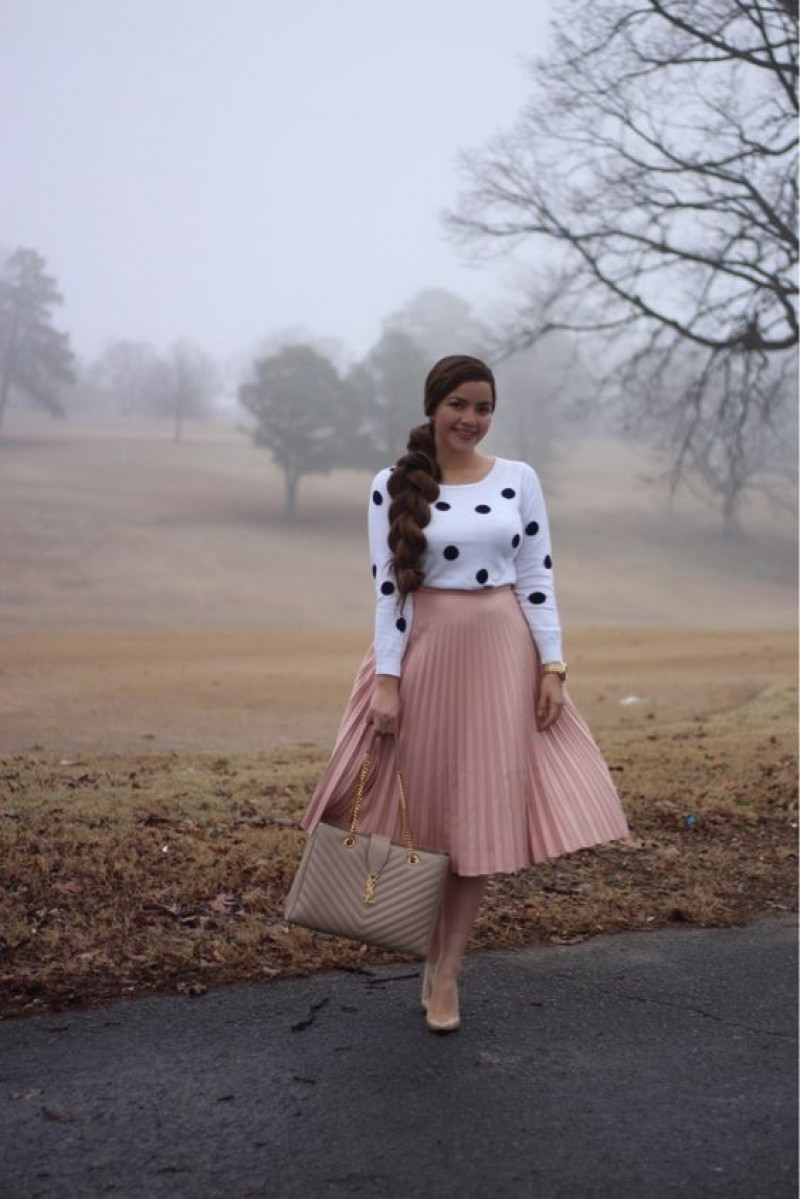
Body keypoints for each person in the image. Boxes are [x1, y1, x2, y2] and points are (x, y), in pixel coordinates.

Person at [300, 354, 630, 1033]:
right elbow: (389, 587)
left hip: (500, 659)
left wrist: (553, 666)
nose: (471, 419)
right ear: (433, 406)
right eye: (459, 405)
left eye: (483, 407)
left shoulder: (519, 480)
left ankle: (447, 970)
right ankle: (424, 947)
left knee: (477, 815)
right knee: (425, 812)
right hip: (423, 657)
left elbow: (537, 576)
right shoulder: (391, 485)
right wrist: (386, 681)